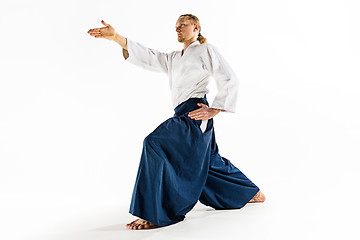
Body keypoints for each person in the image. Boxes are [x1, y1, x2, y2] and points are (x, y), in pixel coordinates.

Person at [87, 14, 265, 230]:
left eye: (183, 24)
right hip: (184, 113)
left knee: (154, 143)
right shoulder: (174, 57)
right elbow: (149, 56)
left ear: (196, 27)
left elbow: (229, 77)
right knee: (207, 163)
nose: (178, 29)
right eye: (176, 26)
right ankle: (250, 191)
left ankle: (153, 212)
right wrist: (116, 38)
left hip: (195, 114)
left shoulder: (206, 50)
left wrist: (216, 108)